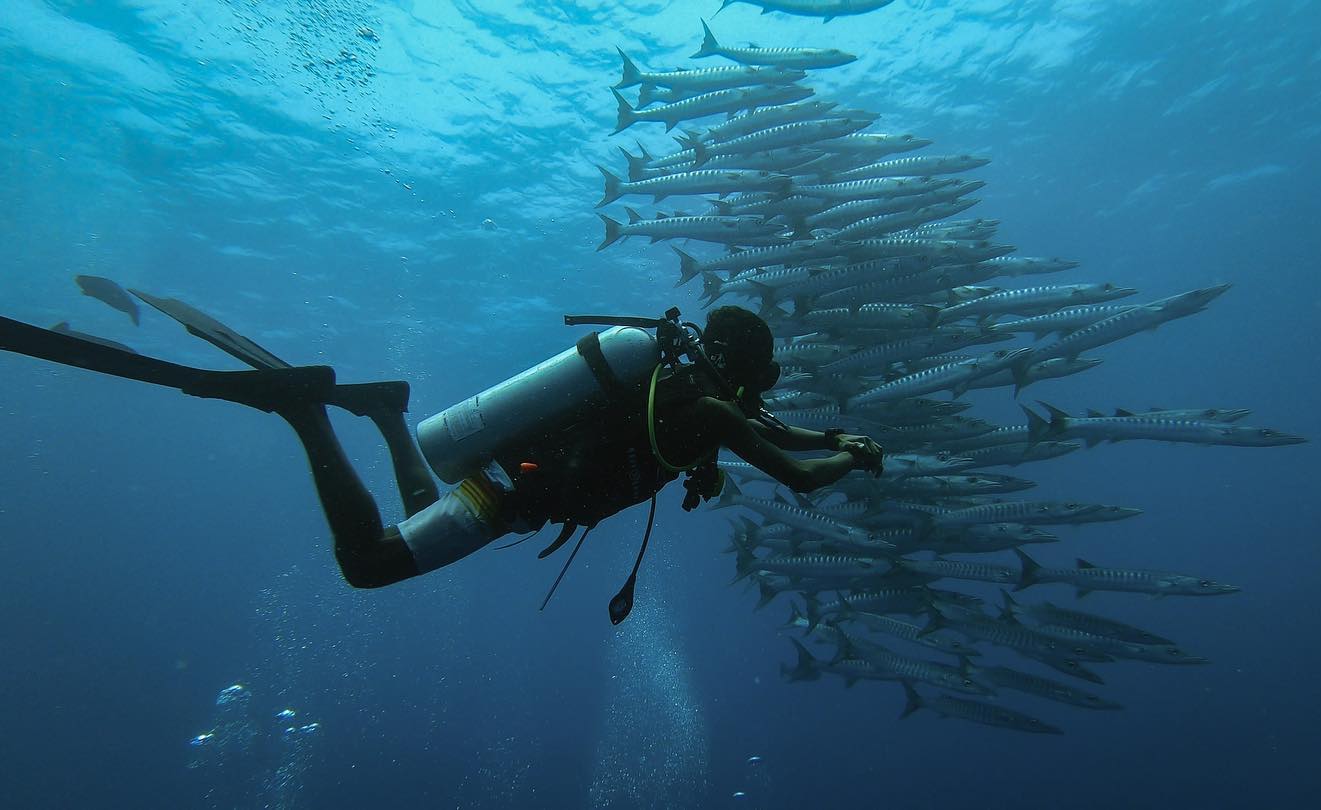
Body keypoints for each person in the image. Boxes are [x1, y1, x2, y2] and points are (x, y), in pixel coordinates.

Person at [0, 292, 884, 615]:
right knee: (369, 564)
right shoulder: (711, 413)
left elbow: (779, 434)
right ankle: (301, 415)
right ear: (736, 368)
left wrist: (827, 435)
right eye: (757, 376)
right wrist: (851, 460)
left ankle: (388, 415)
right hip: (510, 494)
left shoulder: (683, 393)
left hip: (507, 476)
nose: (758, 393)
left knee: (434, 492)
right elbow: (799, 474)